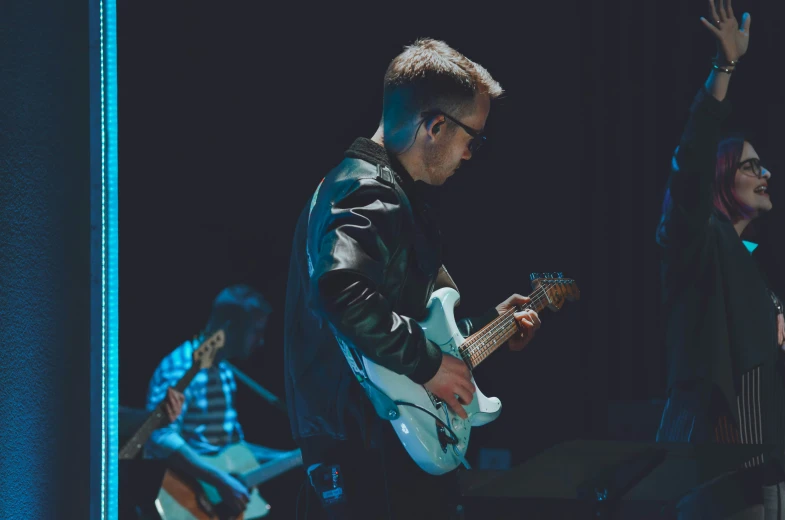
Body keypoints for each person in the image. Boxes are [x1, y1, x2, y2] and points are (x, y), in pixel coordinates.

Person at [283, 38, 542, 519]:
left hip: (376, 441)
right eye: (473, 139)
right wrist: (428, 364)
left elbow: (405, 322)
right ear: (436, 126)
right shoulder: (366, 188)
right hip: (364, 447)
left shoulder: (379, 191)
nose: (470, 154)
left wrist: (489, 325)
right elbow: (342, 290)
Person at [655, 1, 785, 518]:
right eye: (752, 166)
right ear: (721, 179)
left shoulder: (748, 261)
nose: (766, 174)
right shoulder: (696, 239)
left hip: (766, 460)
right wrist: (723, 68)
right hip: (719, 457)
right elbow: (690, 163)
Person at [145, 285, 293, 516]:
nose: (261, 341)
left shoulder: (224, 371)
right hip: (184, 502)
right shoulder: (182, 368)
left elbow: (230, 450)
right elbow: (159, 436)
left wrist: (287, 459)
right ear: (230, 329)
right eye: (256, 331)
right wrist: (220, 481)